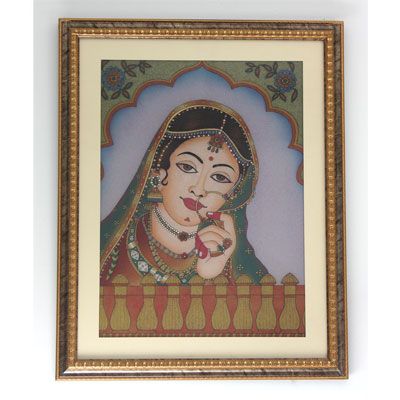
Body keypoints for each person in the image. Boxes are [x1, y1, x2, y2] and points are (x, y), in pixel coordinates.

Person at [100, 100, 268, 285]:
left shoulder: (238, 265)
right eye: (187, 167)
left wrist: (215, 269)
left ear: (233, 194)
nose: (199, 189)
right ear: (159, 172)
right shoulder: (108, 246)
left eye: (220, 177)